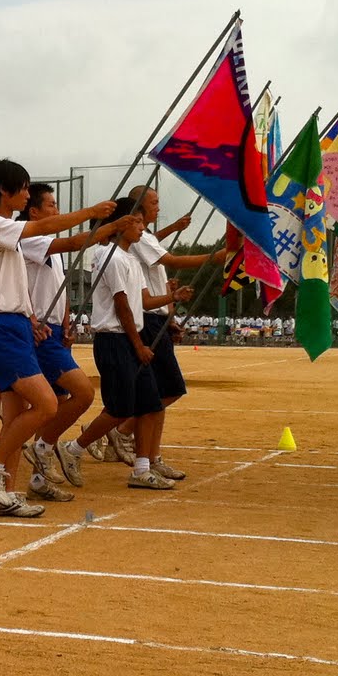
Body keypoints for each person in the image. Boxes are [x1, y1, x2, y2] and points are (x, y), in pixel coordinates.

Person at [0, 158, 115, 517]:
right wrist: (91, 212)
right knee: (48, 404)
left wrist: (32, 318)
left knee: (17, 413)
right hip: (3, 328)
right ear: (4, 191)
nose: (25, 194)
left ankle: (6, 494)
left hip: (17, 325)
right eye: (21, 188)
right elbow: (50, 227)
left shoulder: (9, 233)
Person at [18, 183, 133, 498]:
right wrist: (106, 226)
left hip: (54, 331)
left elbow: (61, 288)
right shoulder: (30, 240)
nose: (56, 210)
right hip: (39, 334)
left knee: (53, 405)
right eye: (51, 205)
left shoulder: (48, 247)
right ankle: (43, 447)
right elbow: (73, 242)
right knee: (82, 394)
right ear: (35, 212)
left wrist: (67, 324)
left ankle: (38, 479)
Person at [62, 198, 177, 489]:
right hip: (115, 340)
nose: (142, 228)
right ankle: (73, 448)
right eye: (136, 222)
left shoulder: (131, 260)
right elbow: (122, 304)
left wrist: (173, 298)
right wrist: (139, 345)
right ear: (121, 224)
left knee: (150, 404)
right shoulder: (110, 257)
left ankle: (142, 469)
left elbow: (144, 301)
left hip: (130, 338)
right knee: (120, 408)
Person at [123, 185, 227, 478]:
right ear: (139, 209)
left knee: (162, 392)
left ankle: (151, 455)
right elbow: (172, 259)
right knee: (166, 391)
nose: (159, 207)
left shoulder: (144, 238)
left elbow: (156, 244)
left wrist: (169, 318)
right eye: (154, 203)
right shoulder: (139, 239)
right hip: (147, 319)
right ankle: (123, 431)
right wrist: (214, 257)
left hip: (157, 317)